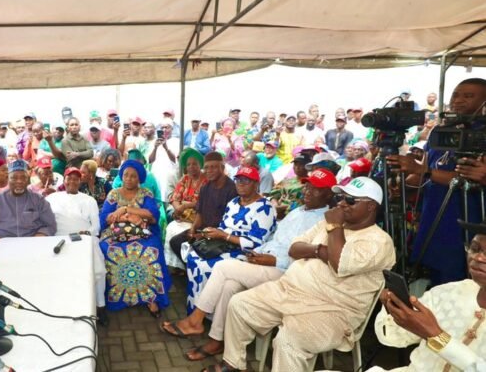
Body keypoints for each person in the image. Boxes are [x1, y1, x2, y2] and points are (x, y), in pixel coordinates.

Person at [202, 177, 395, 372]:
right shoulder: (326, 225)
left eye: (351, 200)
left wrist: (335, 228)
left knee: (288, 342)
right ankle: (234, 364)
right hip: (290, 291)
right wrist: (321, 251)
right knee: (239, 304)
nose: (342, 204)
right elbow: (294, 249)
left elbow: (339, 263)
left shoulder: (379, 241)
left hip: (333, 310)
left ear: (371, 207)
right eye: (342, 197)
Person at [161, 168, 335, 361]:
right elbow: (275, 241)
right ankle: (217, 340)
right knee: (228, 284)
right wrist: (260, 253)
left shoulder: (325, 222)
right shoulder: (297, 211)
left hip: (286, 271)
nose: (307, 192)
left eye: (315, 189)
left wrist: (274, 259)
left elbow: (309, 257)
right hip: (264, 257)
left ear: (329, 194)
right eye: (307, 187)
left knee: (222, 267)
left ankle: (196, 320)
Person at [388, 78, 486, 285]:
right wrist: (403, 182)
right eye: (456, 95)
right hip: (434, 219)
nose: (458, 101)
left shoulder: (481, 135)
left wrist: (424, 172)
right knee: (435, 285)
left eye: (468, 96)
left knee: (462, 286)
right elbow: (424, 170)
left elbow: (465, 177)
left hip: (467, 223)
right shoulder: (441, 131)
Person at [369, 221, 485, 372]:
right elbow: (392, 338)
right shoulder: (448, 292)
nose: (479, 258)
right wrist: (395, 310)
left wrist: (435, 335)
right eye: (475, 249)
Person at [184, 165, 277, 313]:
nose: (240, 184)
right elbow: (223, 226)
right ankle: (196, 307)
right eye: (238, 180)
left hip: (244, 251)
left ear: (256, 184)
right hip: (223, 243)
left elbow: (256, 242)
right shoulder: (233, 202)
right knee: (194, 256)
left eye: (246, 181)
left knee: (207, 264)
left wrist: (224, 236)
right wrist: (210, 232)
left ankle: (208, 312)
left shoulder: (265, 207)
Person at [99, 159, 171, 317]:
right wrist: (128, 218)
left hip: (143, 233)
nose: (129, 179)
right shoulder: (114, 193)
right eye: (126, 175)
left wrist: (125, 209)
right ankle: (117, 297)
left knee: (151, 250)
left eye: (133, 176)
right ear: (122, 176)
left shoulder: (146, 194)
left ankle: (151, 297)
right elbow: (105, 218)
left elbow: (152, 215)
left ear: (139, 178)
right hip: (116, 234)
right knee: (108, 249)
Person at [45, 167, 108, 325]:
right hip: (59, 240)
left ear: (80, 181)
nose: (72, 181)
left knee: (98, 270)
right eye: (69, 178)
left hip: (85, 239)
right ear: (64, 180)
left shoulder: (89, 200)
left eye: (76, 179)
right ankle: (66, 306)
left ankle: (101, 307)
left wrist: (87, 233)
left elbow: (96, 227)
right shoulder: (52, 198)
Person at [168, 152, 238, 269]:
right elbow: (200, 212)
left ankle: (200, 272)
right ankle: (190, 270)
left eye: (213, 167)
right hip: (203, 229)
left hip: (220, 233)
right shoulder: (205, 188)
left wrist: (204, 234)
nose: (209, 170)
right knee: (175, 242)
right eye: (206, 168)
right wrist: (193, 229)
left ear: (222, 167)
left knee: (202, 250)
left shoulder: (231, 189)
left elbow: (229, 221)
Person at [0, 159, 57, 250]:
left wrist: (36, 240)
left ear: (28, 179)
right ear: (8, 179)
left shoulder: (38, 200)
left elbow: (50, 225)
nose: (19, 181)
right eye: (14, 178)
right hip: (2, 246)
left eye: (23, 177)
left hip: (32, 246)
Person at [163, 148, 207, 272]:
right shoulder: (185, 179)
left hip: (198, 216)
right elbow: (175, 197)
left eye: (194, 163)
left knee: (179, 231)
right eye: (188, 164)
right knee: (171, 228)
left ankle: (186, 265)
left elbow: (204, 202)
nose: (191, 167)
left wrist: (185, 206)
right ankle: (177, 266)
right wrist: (178, 208)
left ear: (200, 164)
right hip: (183, 214)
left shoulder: (206, 180)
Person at [149, 118, 180, 203]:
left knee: (167, 198)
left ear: (172, 129)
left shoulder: (177, 142)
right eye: (162, 128)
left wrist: (166, 148)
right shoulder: (154, 142)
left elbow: (175, 160)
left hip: (169, 175)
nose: (164, 130)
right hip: (157, 173)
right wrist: (155, 148)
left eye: (167, 127)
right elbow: (150, 160)